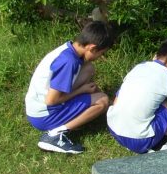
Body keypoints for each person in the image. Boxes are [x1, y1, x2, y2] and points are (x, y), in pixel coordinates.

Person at [25, 21, 115, 154]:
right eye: (101, 53)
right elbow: (51, 100)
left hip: (37, 107)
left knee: (88, 69)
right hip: (44, 116)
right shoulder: (68, 62)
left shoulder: (69, 50)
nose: (101, 57)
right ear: (92, 47)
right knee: (101, 100)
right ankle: (55, 135)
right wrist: (82, 90)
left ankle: (110, 108)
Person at [106, 38, 167, 154]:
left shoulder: (139, 67)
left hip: (114, 130)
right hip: (139, 141)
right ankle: (160, 144)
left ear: (155, 56)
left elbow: (116, 102)